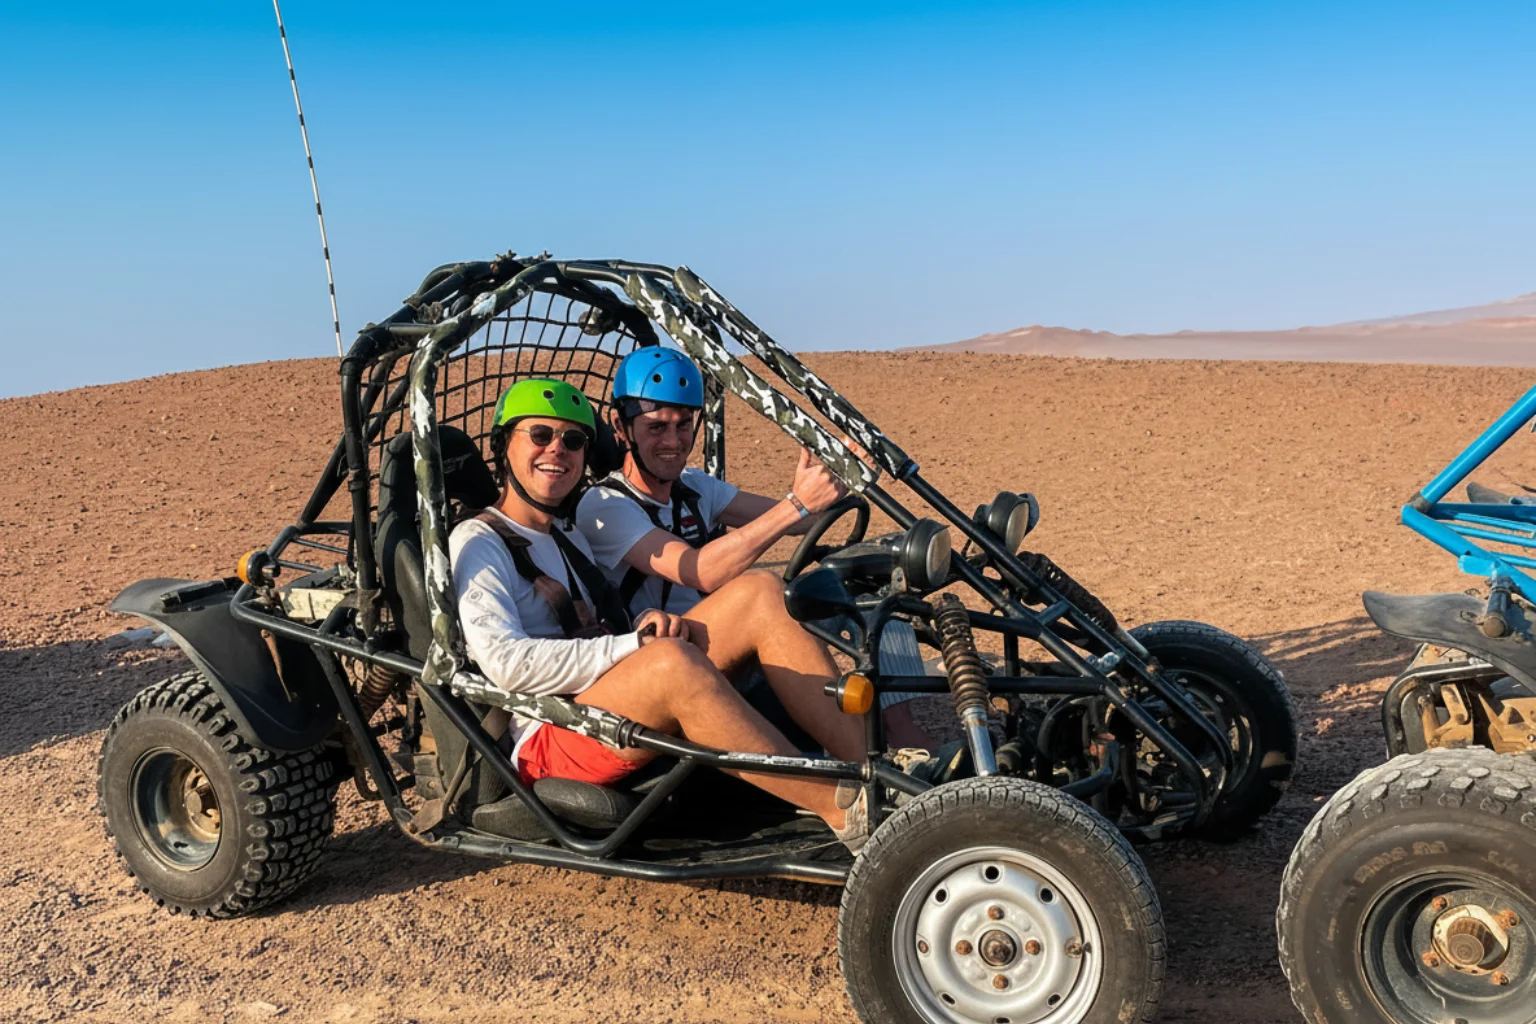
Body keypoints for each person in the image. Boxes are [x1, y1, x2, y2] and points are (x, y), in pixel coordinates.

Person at [448, 378, 869, 849]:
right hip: (548, 731)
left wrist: (643, 625)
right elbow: (505, 662)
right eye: (540, 435)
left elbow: (597, 629)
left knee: (761, 591)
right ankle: (841, 810)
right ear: (504, 446)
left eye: (573, 440)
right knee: (672, 662)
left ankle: (869, 772)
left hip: (600, 699)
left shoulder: (567, 535)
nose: (557, 451)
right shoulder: (479, 540)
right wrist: (635, 645)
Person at [575, 347, 934, 749]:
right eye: (656, 427)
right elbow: (699, 570)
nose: (673, 441)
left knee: (874, 602)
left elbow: (803, 521)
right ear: (620, 427)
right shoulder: (604, 506)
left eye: (683, 425)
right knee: (762, 592)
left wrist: (833, 481)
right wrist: (797, 502)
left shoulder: (694, 487)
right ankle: (868, 771)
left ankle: (909, 745)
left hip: (723, 650)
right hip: (666, 664)